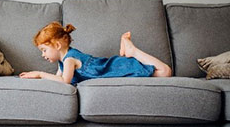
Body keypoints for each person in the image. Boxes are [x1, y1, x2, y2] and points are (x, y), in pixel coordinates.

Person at [19, 22, 172, 85]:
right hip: (110, 68)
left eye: (44, 50)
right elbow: (59, 80)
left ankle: (132, 50)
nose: (43, 55)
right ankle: (130, 50)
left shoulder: (70, 59)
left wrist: (39, 74)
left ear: (57, 45)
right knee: (164, 73)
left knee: (166, 72)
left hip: (115, 67)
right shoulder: (63, 61)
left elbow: (65, 81)